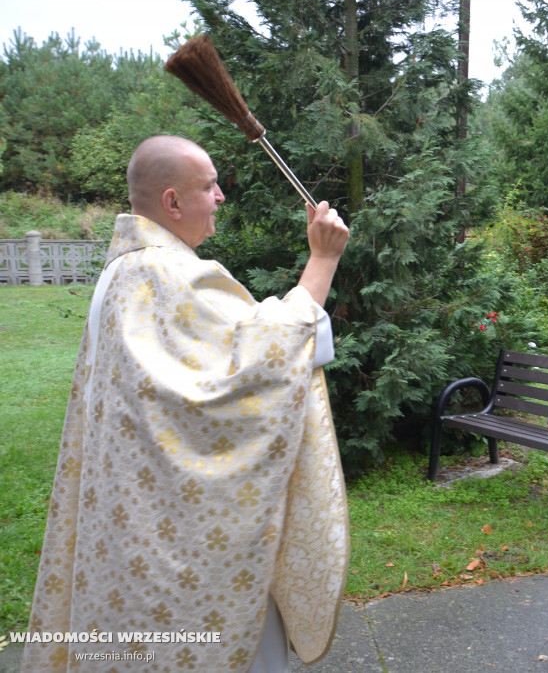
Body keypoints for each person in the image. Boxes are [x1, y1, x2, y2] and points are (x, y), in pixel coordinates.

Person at [22, 135, 351, 672]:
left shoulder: (124, 271)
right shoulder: (158, 274)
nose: (221, 196)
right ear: (172, 202)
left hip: (138, 526)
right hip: (179, 547)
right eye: (209, 186)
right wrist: (323, 261)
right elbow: (253, 371)